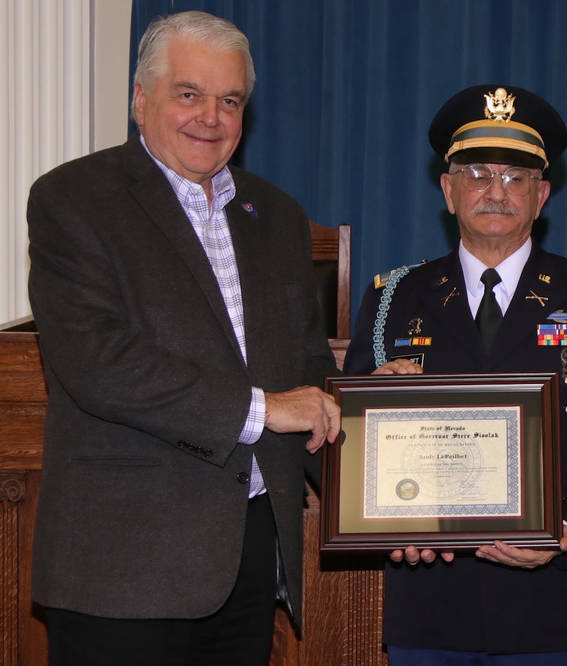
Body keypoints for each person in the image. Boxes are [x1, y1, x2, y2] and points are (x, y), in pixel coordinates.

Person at [27, 11, 341, 665]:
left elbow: (306, 365)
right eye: (189, 94)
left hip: (248, 559)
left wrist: (377, 433)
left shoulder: (277, 216)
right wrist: (263, 409)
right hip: (123, 570)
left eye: (230, 100)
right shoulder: (74, 199)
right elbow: (99, 362)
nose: (211, 117)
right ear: (142, 100)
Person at [342, 84, 567, 664]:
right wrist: (387, 518)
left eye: (515, 178)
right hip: (430, 602)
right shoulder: (392, 299)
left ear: (541, 196)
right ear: (448, 189)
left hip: (552, 600)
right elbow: (346, 445)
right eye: (478, 172)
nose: (496, 191)